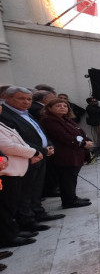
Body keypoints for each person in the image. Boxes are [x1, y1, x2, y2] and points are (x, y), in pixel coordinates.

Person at [0, 86, 63, 231]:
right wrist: (40, 150)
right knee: (25, 191)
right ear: (7, 98)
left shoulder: (26, 113)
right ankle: (27, 220)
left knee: (36, 188)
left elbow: (38, 131)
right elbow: (18, 140)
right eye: (21, 98)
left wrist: (49, 145)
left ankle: (38, 212)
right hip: (26, 157)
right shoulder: (6, 115)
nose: (26, 102)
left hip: (40, 154)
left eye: (29, 99)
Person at [38, 98, 93, 208]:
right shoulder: (49, 120)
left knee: (71, 178)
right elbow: (64, 137)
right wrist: (83, 144)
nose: (62, 108)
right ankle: (69, 201)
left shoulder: (65, 119)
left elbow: (79, 131)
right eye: (58, 106)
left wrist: (87, 140)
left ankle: (72, 197)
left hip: (74, 153)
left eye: (65, 106)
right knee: (66, 178)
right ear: (49, 108)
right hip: (64, 154)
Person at [0, 101, 41, 248]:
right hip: (6, 171)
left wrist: (32, 152)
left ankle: (13, 231)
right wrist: (34, 152)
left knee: (11, 204)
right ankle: (8, 236)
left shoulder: (2, 122)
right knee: (5, 206)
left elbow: (19, 140)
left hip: (16, 169)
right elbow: (8, 146)